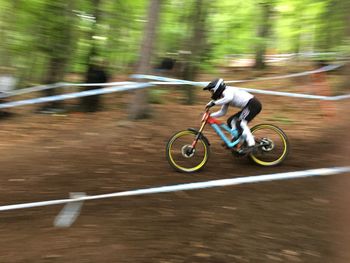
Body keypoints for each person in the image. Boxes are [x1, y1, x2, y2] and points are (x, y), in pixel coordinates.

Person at [204, 78, 262, 154]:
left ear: (217, 88)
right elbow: (222, 112)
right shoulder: (224, 97)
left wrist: (213, 103)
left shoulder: (227, 91)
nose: (211, 93)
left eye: (212, 91)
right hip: (248, 106)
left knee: (241, 123)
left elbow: (228, 98)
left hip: (253, 104)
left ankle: (252, 145)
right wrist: (210, 116)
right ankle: (236, 140)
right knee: (231, 121)